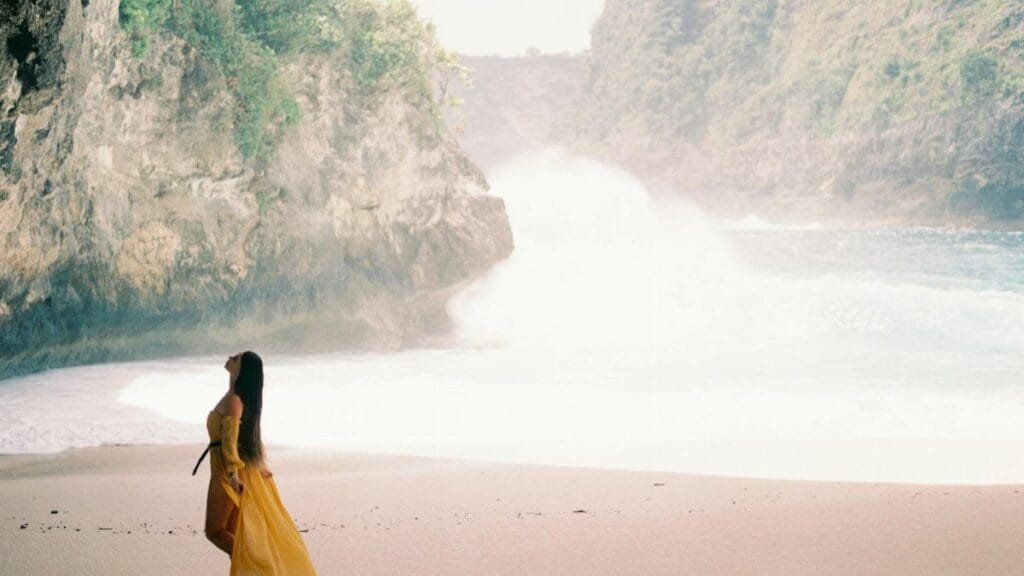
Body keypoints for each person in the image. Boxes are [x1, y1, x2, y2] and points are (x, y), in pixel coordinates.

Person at [201, 351, 317, 575]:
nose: (230, 357)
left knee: (215, 531)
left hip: (226, 471)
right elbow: (248, 438)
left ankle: (263, 567)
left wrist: (233, 474)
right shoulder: (235, 398)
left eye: (236, 358)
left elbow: (230, 442)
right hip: (230, 468)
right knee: (233, 533)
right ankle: (256, 568)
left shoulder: (234, 401)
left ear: (242, 369)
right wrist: (258, 465)